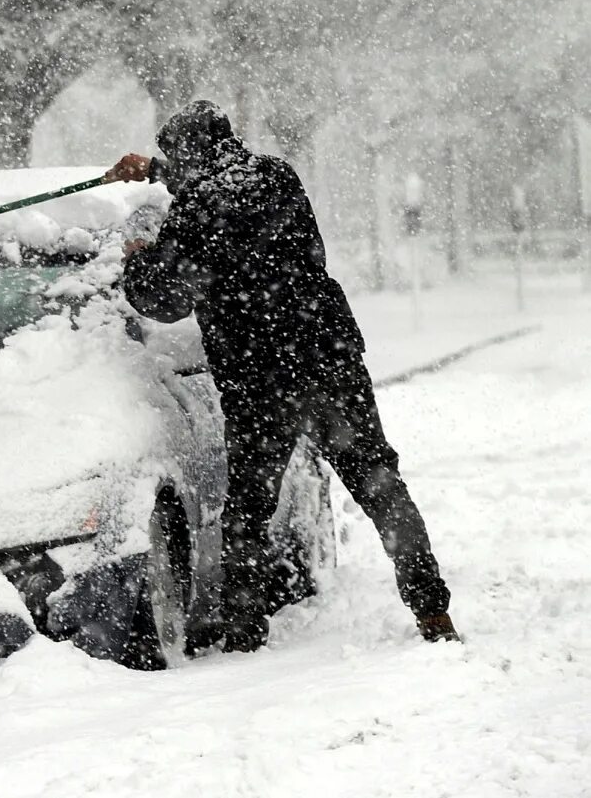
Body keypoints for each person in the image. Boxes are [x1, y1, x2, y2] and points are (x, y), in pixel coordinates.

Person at [104, 100, 458, 652]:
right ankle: (433, 610)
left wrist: (137, 257)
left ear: (189, 156)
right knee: (380, 486)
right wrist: (153, 171)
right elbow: (222, 191)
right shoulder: (276, 175)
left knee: (248, 509)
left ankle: (244, 631)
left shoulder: (195, 214)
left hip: (259, 381)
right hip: (328, 361)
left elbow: (163, 300)